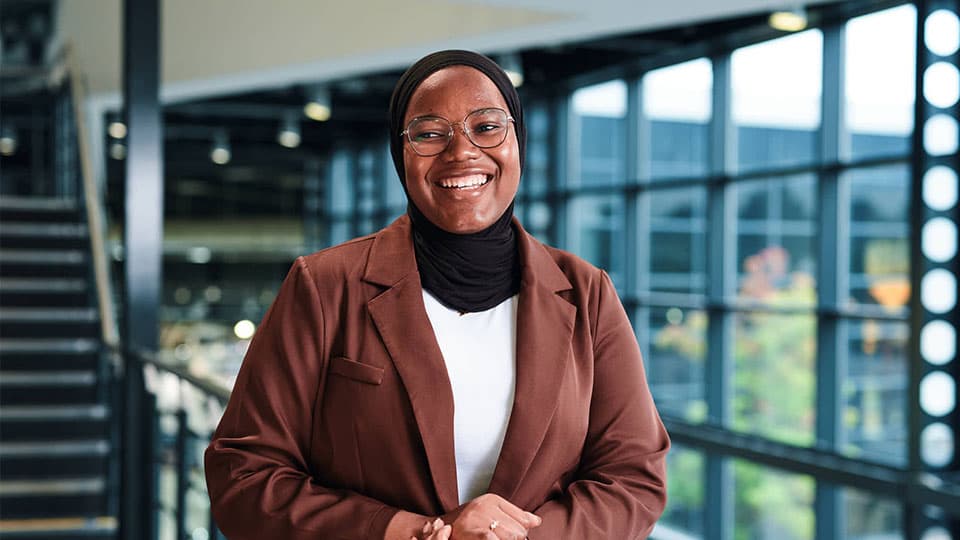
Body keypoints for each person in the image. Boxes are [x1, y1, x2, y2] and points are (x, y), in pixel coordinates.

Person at [204, 49, 670, 540]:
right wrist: (411, 534)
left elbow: (632, 477)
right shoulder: (323, 286)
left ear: (519, 142)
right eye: (429, 134)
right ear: (398, 153)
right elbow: (244, 475)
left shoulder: (587, 293)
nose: (461, 152)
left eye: (486, 127)